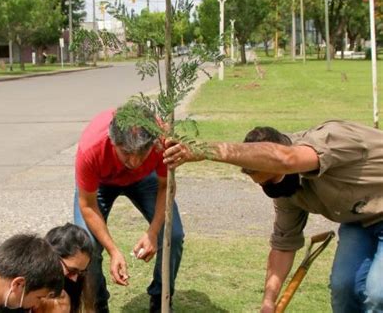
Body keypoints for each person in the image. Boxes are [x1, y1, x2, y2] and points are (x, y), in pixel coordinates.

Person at [163, 120, 383, 313]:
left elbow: (285, 159)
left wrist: (204, 151)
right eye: (262, 184)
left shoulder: (331, 139)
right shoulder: (286, 188)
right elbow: (284, 244)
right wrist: (268, 302)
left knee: (378, 294)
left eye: (271, 179)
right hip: (358, 221)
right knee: (343, 287)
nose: (270, 188)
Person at [73, 102, 184, 313]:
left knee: (174, 235)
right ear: (112, 141)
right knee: (85, 243)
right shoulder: (91, 149)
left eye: (142, 153)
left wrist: (152, 232)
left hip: (146, 180)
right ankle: (97, 303)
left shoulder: (162, 141)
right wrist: (114, 251)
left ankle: (161, 299)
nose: (134, 161)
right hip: (101, 183)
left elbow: (166, 187)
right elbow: (87, 205)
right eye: (126, 153)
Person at [0, 223, 94, 313]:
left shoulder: (72, 284)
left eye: (81, 272)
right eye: (71, 270)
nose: (74, 278)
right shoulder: (16, 291)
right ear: (51, 256)